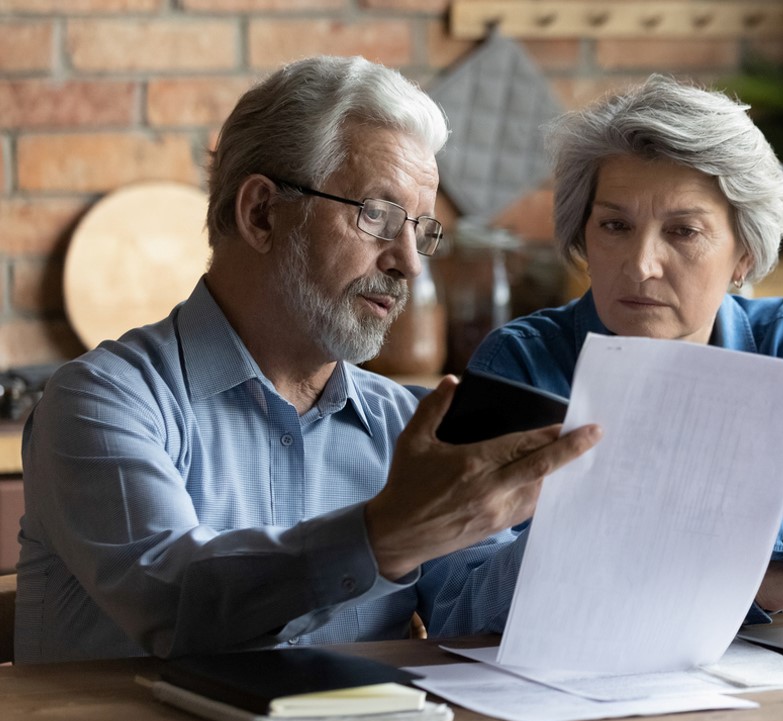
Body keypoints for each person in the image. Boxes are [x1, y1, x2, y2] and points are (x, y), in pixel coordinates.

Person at [14, 56, 600, 664]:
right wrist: (381, 537)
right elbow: (176, 607)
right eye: (377, 216)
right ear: (262, 213)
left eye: (421, 230)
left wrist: (584, 525)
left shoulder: (408, 422)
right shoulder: (102, 402)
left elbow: (467, 610)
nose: (410, 262)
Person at [467, 74, 783, 617]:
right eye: (614, 225)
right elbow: (465, 599)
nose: (641, 264)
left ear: (743, 255)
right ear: (583, 237)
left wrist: (704, 491)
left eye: (683, 232)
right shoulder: (519, 362)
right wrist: (741, 581)